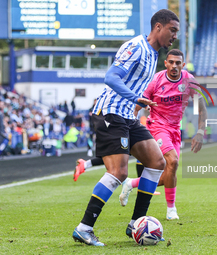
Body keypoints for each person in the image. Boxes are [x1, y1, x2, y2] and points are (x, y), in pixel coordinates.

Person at [72, 9, 179, 247]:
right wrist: (136, 98)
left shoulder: (154, 55)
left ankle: (136, 224)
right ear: (158, 27)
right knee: (119, 172)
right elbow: (111, 77)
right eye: (172, 30)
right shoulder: (136, 47)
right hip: (110, 112)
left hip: (127, 116)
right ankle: (84, 228)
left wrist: (137, 105)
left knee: (157, 162)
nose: (174, 36)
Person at [73, 49, 207, 222]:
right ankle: (171, 209)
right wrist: (131, 125)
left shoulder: (189, 80)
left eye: (178, 63)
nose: (174, 66)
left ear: (182, 64)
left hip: (175, 129)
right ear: (165, 63)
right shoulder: (156, 80)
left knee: (167, 174)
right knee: (172, 161)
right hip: (157, 126)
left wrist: (201, 132)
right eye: (171, 62)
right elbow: (138, 104)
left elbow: (202, 106)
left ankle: (132, 183)